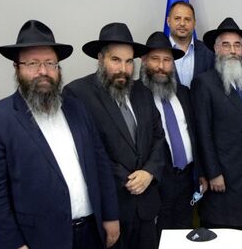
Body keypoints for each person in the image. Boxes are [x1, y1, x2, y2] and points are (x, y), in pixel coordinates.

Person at [0, 20, 119, 249]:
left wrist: (111, 215)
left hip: (91, 233)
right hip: (40, 240)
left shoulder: (76, 107)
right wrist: (13, 245)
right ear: (17, 68)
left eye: (50, 63)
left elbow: (100, 163)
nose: (43, 71)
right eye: (33, 63)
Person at [64, 23, 166, 249]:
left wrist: (149, 172)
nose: (123, 69)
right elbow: (85, 150)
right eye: (116, 60)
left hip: (146, 206)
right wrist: (128, 179)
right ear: (100, 59)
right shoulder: (78, 94)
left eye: (129, 61)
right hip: (111, 209)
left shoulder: (143, 91)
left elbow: (158, 137)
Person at [192, 17, 242, 231]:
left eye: (237, 45)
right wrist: (213, 172)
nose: (232, 50)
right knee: (222, 233)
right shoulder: (204, 82)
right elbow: (203, 133)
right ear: (216, 49)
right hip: (222, 176)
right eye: (226, 45)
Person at [139, 31, 208, 237]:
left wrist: (200, 173)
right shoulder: (135, 96)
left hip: (186, 179)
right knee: (158, 237)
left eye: (167, 60)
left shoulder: (184, 92)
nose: (161, 66)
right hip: (156, 182)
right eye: (155, 59)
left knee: (183, 234)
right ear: (144, 60)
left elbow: (195, 135)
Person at [166, 0, 215, 87]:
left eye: (187, 19)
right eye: (177, 18)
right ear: (168, 21)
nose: (182, 23)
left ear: (194, 23)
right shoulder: (157, 52)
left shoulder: (208, 52)